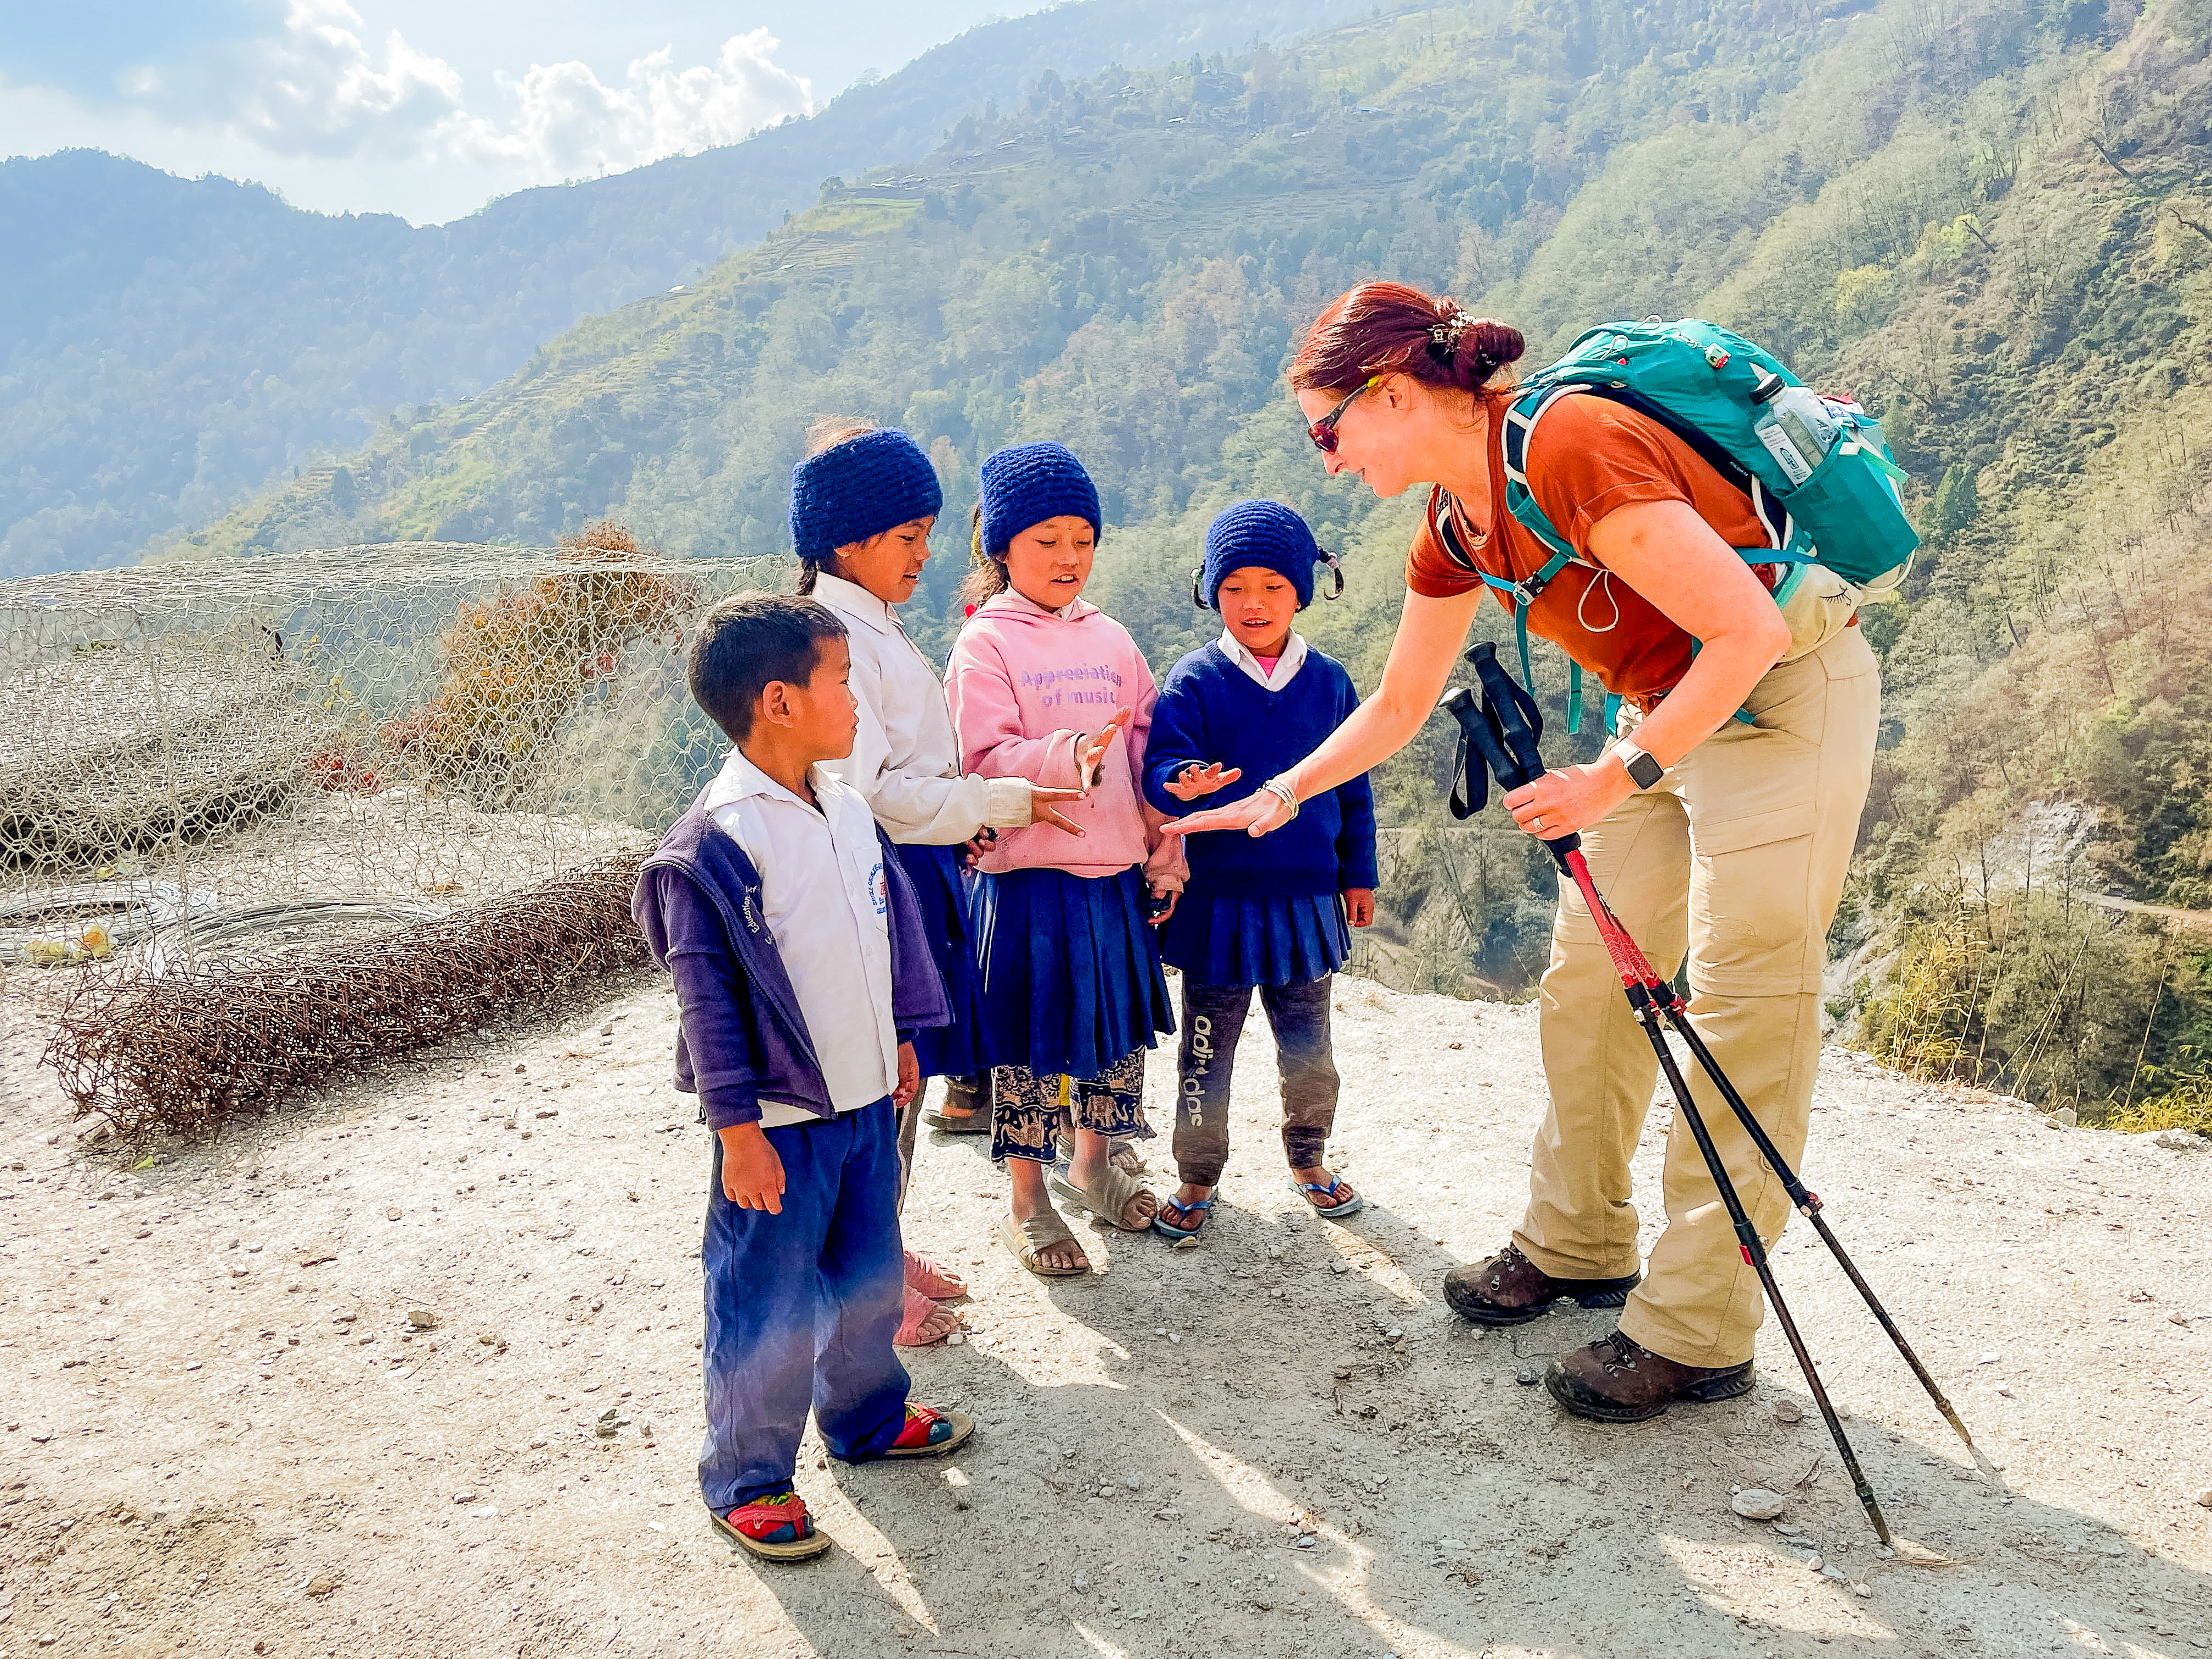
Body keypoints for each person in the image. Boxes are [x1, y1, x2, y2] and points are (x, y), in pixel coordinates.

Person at [1169, 282, 1880, 1424]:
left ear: (1393, 393)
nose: (1330, 461)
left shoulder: (1573, 448)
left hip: (1782, 694)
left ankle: (1698, 1328)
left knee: (1748, 1000)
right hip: (1655, 712)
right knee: (1589, 983)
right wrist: (1282, 793)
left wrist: (1616, 775)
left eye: (1328, 428)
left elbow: (1744, 633)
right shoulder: (1455, 523)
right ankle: (1581, 1239)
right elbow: (1400, 703)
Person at [631, 592, 973, 1562]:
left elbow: (887, 930)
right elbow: (707, 1005)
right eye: (841, 681)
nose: (857, 699)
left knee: (866, 1276)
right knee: (764, 1300)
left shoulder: (849, 808)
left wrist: (905, 1035)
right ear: (780, 701)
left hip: (867, 1104)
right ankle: (748, 1477)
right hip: (779, 1124)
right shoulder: (717, 845)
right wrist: (737, 1132)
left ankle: (865, 1421)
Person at [787, 417, 1087, 1345]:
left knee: (902, 1077)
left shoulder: (871, 626)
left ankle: (885, 1242)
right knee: (884, 1077)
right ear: (850, 542)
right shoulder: (840, 637)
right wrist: (1005, 802)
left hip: (913, 869)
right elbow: (875, 793)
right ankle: (863, 1285)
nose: (925, 555)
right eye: (909, 538)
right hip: (880, 881)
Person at [943, 441, 1181, 1276]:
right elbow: (980, 758)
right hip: (1028, 885)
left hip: (1111, 877)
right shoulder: (986, 646)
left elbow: (1155, 747)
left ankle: (1092, 1162)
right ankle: (1028, 1197)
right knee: (1031, 1045)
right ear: (1001, 547)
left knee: (1110, 1037)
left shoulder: (1113, 640)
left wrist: (1170, 831)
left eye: (1083, 539)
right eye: (1047, 540)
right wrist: (1068, 753)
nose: (1069, 558)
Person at [1141, 500, 1378, 1240]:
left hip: (1308, 902)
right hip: (1220, 903)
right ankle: (1195, 1174)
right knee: (1207, 1051)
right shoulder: (1196, 679)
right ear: (1211, 591)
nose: (1254, 603)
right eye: (1236, 586)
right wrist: (1183, 780)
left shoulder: (1331, 684)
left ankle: (1308, 1160)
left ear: (1302, 592)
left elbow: (1354, 785)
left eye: (1273, 586)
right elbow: (1160, 765)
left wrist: (1357, 874)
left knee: (1310, 1052)